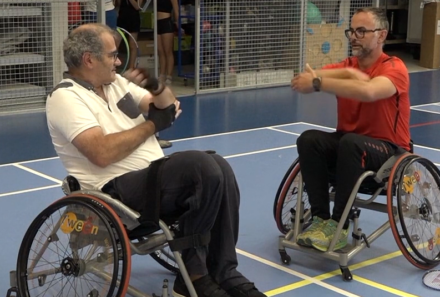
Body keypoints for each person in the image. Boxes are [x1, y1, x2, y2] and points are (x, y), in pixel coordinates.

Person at [46, 23, 266, 297]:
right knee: (201, 168)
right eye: (112, 55)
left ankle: (224, 270)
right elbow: (101, 153)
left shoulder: (116, 85)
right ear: (89, 59)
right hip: (113, 191)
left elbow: (167, 106)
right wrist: (152, 125)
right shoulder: (65, 97)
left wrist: (155, 86)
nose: (118, 61)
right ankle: (194, 278)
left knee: (220, 166)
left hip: (151, 178)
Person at [290, 7, 411, 252]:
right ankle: (321, 220)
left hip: (388, 151)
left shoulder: (394, 68)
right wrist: (343, 73)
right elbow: (306, 77)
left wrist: (318, 82)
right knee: (309, 139)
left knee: (351, 143)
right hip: (350, 145)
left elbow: (369, 91)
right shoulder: (347, 65)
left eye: (362, 31)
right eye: (351, 31)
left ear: (381, 35)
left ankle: (339, 224)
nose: (354, 36)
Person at [157, 0, 183, 86]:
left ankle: (169, 76)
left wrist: (178, 25)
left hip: (166, 22)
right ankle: (162, 74)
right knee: (160, 51)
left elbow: (176, 10)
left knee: (167, 51)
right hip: (157, 23)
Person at [117, 0, 142, 70]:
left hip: (133, 18)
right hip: (122, 16)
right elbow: (118, 4)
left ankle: (131, 68)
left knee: (132, 45)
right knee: (116, 43)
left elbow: (137, 7)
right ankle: (113, 66)